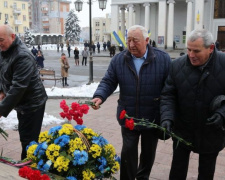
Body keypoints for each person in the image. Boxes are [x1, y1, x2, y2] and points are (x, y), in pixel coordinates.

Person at [92, 25, 171, 180]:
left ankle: (143, 177)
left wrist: (167, 114)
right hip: (128, 115)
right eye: (128, 40)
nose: (131, 45)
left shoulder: (163, 59)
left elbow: (170, 88)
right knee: (128, 152)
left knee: (148, 153)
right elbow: (108, 81)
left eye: (136, 40)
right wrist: (100, 96)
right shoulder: (119, 59)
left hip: (152, 116)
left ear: (147, 40)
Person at [160, 29, 225, 180]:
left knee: (206, 173)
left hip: (211, 131)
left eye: (196, 51)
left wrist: (222, 113)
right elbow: (168, 95)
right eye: (188, 49)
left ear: (210, 48)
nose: (191, 55)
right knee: (177, 170)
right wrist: (167, 118)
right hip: (183, 129)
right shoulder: (177, 65)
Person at [0, 24, 47, 160]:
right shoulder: (5, 50)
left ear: (12, 37)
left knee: (29, 142)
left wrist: (1, 110)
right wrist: (1, 90)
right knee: (25, 137)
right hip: (22, 104)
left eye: (1, 40)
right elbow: (1, 72)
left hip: (33, 104)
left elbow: (18, 87)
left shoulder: (22, 56)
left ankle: (29, 168)